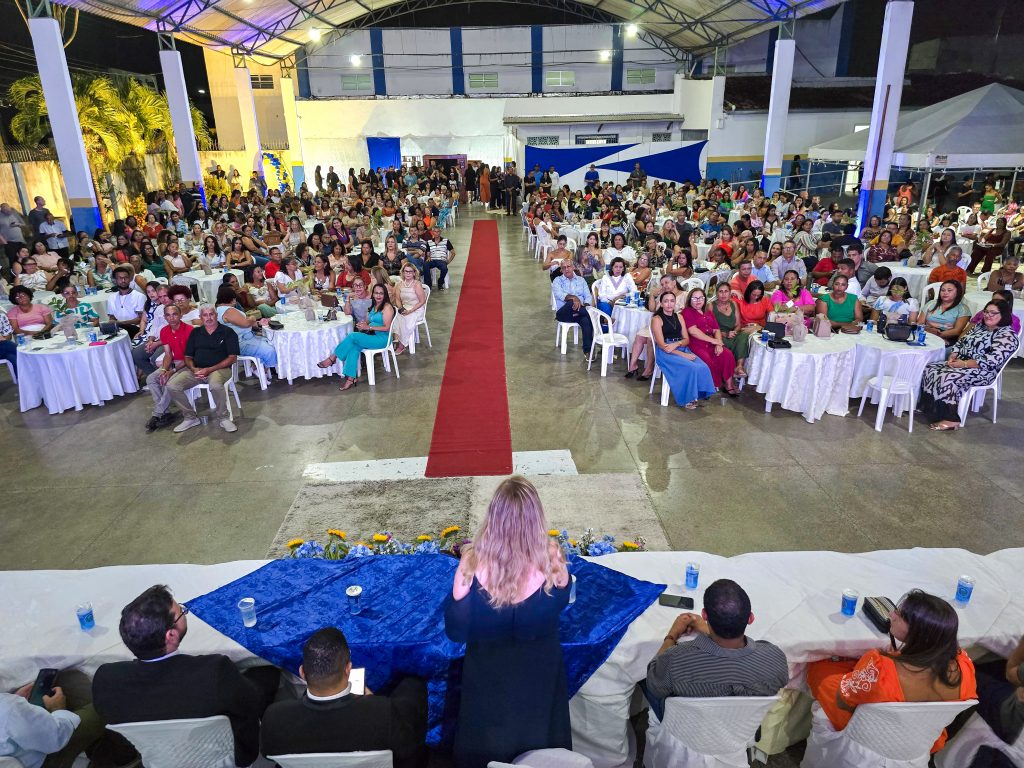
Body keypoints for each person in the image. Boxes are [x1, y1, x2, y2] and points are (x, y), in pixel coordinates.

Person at [444, 476, 572, 768]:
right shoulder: (553, 557)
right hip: (539, 679)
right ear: (536, 518)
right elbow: (562, 600)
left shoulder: (471, 564)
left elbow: (455, 630)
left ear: (494, 517)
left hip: (488, 682)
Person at [92, 585, 279, 768]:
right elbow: (250, 704)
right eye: (181, 613)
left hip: (160, 760)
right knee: (267, 671)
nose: (183, 613)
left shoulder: (105, 681)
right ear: (171, 635)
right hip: (225, 759)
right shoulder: (214, 671)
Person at [808, 590, 977, 753]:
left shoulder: (881, 666)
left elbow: (843, 702)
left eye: (900, 614)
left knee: (821, 670)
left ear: (918, 632)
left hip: (869, 734)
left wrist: (868, 667)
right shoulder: (965, 666)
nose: (891, 615)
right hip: (922, 739)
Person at [260, 627, 428, 768]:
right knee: (413, 685)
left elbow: (268, 754)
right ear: (348, 669)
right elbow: (408, 747)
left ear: (302, 672)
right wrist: (372, 702)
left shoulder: (274, 719)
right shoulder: (384, 714)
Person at [645, 578, 787, 705]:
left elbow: (654, 685)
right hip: (744, 725)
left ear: (704, 614)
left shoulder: (675, 660)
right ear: (751, 618)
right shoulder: (775, 658)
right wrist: (705, 629)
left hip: (687, 724)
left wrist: (672, 635)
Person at [920, 300, 1019, 430]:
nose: (988, 315)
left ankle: (951, 419)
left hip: (983, 371)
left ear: (1004, 315)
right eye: (986, 312)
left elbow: (991, 361)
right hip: (962, 362)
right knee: (930, 368)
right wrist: (954, 353)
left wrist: (964, 364)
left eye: (993, 313)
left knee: (948, 376)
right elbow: (962, 341)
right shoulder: (980, 326)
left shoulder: (1007, 336)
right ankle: (932, 409)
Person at [166, 305, 241, 433]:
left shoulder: (227, 332)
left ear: (216, 315)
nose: (208, 318)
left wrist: (210, 369)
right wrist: (194, 369)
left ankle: (223, 418)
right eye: (205, 315)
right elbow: (187, 357)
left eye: (211, 314)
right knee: (172, 385)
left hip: (219, 369)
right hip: (197, 370)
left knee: (215, 386)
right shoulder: (195, 333)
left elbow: (232, 358)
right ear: (200, 317)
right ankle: (190, 418)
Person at [317, 283, 395, 391]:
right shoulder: (374, 305)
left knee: (352, 336)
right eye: (376, 293)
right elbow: (369, 320)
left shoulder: (387, 307)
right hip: (371, 335)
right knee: (353, 347)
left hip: (382, 339)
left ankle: (332, 358)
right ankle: (351, 378)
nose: (378, 295)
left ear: (385, 294)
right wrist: (363, 324)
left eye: (381, 293)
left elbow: (387, 328)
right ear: (373, 294)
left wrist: (368, 327)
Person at [651, 290, 716, 410]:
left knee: (703, 366)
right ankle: (688, 398)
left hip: (680, 347)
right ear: (661, 303)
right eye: (666, 301)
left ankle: (697, 394)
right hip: (665, 352)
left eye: (672, 301)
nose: (669, 304)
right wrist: (682, 354)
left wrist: (678, 344)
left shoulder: (679, 317)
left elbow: (686, 339)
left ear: (675, 302)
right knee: (691, 367)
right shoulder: (657, 319)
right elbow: (661, 345)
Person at [681, 287, 739, 395]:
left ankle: (729, 385)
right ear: (690, 300)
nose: (698, 301)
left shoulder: (708, 312)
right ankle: (708, 387)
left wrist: (719, 344)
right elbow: (693, 331)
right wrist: (714, 341)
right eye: (695, 298)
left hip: (711, 342)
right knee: (706, 359)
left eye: (701, 298)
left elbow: (716, 329)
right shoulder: (687, 312)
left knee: (727, 354)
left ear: (704, 299)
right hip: (696, 344)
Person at [215, 285, 278, 370]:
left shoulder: (218, 310)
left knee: (272, 341)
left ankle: (261, 367)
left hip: (238, 342)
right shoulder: (228, 311)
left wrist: (255, 323)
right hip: (242, 343)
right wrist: (252, 318)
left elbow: (240, 323)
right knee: (271, 349)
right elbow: (245, 324)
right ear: (232, 299)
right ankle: (262, 368)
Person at [552, 260, 593, 356]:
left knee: (586, 321)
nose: (566, 269)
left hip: (579, 313)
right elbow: (560, 295)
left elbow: (588, 296)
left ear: (573, 267)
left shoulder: (581, 280)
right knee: (571, 302)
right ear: (561, 270)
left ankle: (588, 351)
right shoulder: (557, 281)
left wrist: (585, 305)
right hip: (564, 314)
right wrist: (575, 298)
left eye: (569, 266)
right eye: (564, 268)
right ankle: (599, 318)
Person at [710, 282, 752, 377]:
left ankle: (739, 366)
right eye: (721, 291)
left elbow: (738, 324)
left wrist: (734, 332)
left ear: (730, 293)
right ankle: (728, 370)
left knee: (744, 335)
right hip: (719, 335)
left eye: (726, 291)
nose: (723, 294)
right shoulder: (711, 306)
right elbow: (709, 328)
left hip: (733, 334)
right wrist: (725, 334)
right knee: (723, 342)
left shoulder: (733, 303)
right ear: (716, 293)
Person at [919, 279, 971, 346]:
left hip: (948, 337)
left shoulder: (963, 309)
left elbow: (957, 331)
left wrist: (938, 335)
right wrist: (928, 330)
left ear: (957, 292)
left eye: (949, 290)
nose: (945, 293)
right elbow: (920, 323)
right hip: (926, 332)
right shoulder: (931, 303)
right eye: (943, 290)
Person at [392, 263, 427, 355]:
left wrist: (411, 311)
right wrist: (401, 308)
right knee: (395, 315)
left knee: (407, 317)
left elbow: (422, 301)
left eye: (410, 271)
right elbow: (397, 299)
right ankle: (396, 339)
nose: (408, 273)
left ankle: (402, 344)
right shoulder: (399, 284)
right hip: (405, 307)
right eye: (406, 271)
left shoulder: (417, 284)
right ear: (403, 272)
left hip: (417, 308)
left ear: (414, 273)